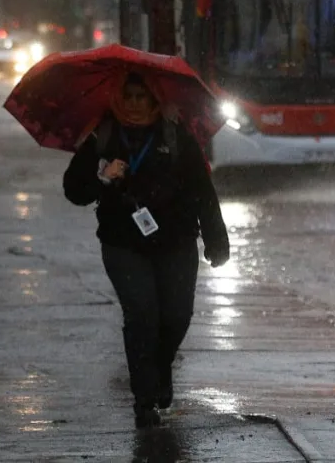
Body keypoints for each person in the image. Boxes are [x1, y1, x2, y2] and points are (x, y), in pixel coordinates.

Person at [63, 72, 230, 429]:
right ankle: (144, 399)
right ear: (119, 99)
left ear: (155, 100)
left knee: (176, 316)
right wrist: (101, 178)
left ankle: (159, 369)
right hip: (123, 243)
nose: (136, 103)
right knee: (141, 314)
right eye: (130, 96)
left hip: (176, 240)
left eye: (143, 96)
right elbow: (73, 190)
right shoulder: (103, 135)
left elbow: (202, 188)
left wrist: (217, 240)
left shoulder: (175, 133)